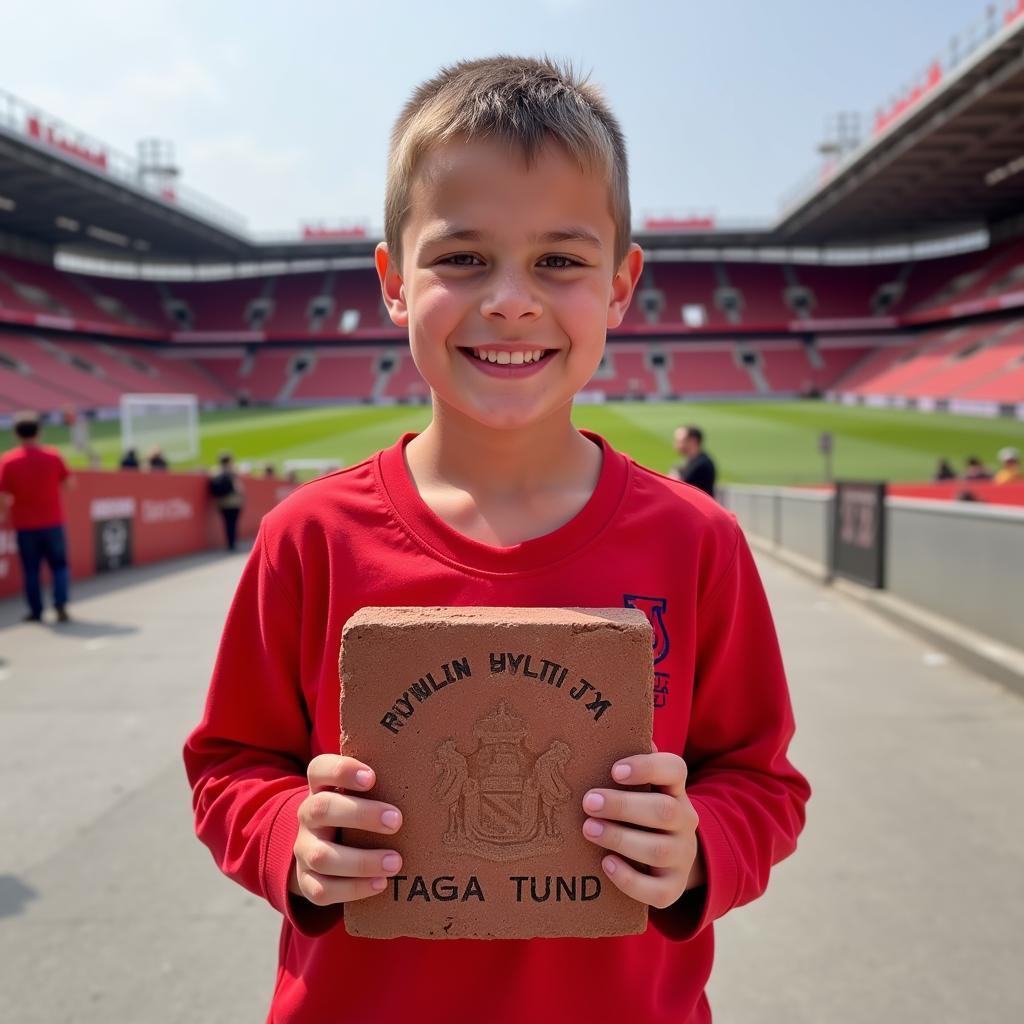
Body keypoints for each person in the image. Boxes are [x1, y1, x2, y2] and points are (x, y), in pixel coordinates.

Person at [184, 57, 809, 1024]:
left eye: (560, 260)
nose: (511, 299)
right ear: (394, 281)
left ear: (621, 285)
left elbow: (762, 782)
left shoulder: (697, 541)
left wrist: (699, 849)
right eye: (462, 258)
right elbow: (230, 763)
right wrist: (287, 840)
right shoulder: (308, 537)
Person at [0, 411, 72, 623]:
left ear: (16, 434)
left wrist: (4, 514)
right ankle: (60, 603)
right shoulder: (53, 455)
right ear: (39, 432)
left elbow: (3, 495)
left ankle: (36, 610)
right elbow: (69, 484)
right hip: (53, 522)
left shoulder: (9, 460)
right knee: (59, 566)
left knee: (31, 570)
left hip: (25, 525)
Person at [208, 452, 245, 551]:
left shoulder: (215, 472)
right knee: (233, 523)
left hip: (221, 502)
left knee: (227, 523)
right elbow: (238, 488)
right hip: (233, 502)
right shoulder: (232, 472)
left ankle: (230, 543)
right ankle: (232, 543)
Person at [669, 425, 717, 498]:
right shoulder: (691, 461)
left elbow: (678, 485)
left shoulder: (702, 463)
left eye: (680, 441)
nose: (676, 444)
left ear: (693, 441)